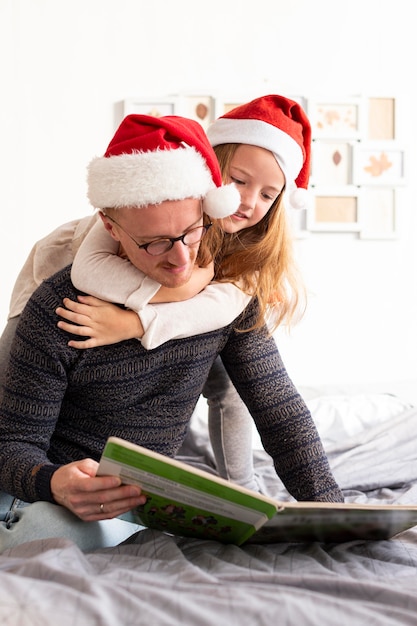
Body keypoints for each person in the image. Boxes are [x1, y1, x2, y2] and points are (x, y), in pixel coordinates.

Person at [0, 112, 343, 552]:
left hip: (131, 500)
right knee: (47, 530)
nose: (181, 261)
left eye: (190, 233)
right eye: (155, 242)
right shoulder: (61, 307)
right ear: (111, 228)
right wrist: (52, 483)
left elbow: (279, 409)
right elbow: (13, 444)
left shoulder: (227, 298)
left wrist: (334, 513)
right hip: (52, 486)